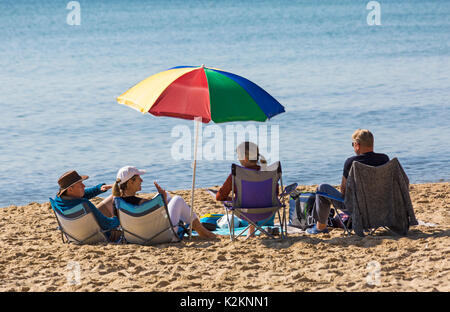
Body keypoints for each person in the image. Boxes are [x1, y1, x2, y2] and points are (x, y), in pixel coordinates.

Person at [306, 129, 390, 234]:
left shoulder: (352, 162)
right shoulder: (384, 159)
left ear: (357, 145)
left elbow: (343, 190)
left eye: (353, 144)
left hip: (358, 212)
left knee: (321, 188)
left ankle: (320, 227)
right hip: (381, 210)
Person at [112, 166, 216, 239]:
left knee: (169, 198)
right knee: (177, 199)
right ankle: (203, 231)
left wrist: (164, 197)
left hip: (134, 237)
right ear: (130, 182)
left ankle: (197, 227)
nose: (142, 180)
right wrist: (163, 198)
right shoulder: (141, 203)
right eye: (139, 178)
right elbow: (162, 218)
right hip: (159, 236)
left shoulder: (118, 202)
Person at [216, 141, 271, 238]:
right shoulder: (267, 172)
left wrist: (231, 199)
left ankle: (251, 229)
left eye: (238, 155)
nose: (238, 158)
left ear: (244, 158)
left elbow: (220, 196)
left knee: (246, 200)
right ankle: (251, 229)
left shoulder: (237, 174)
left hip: (244, 212)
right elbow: (275, 193)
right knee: (254, 197)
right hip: (268, 210)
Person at [52, 170, 121, 240]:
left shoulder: (58, 201)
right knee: (115, 197)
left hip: (75, 235)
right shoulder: (83, 204)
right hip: (97, 235)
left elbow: (83, 194)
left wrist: (99, 188)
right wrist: (120, 218)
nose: (84, 186)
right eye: (80, 184)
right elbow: (107, 225)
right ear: (70, 189)